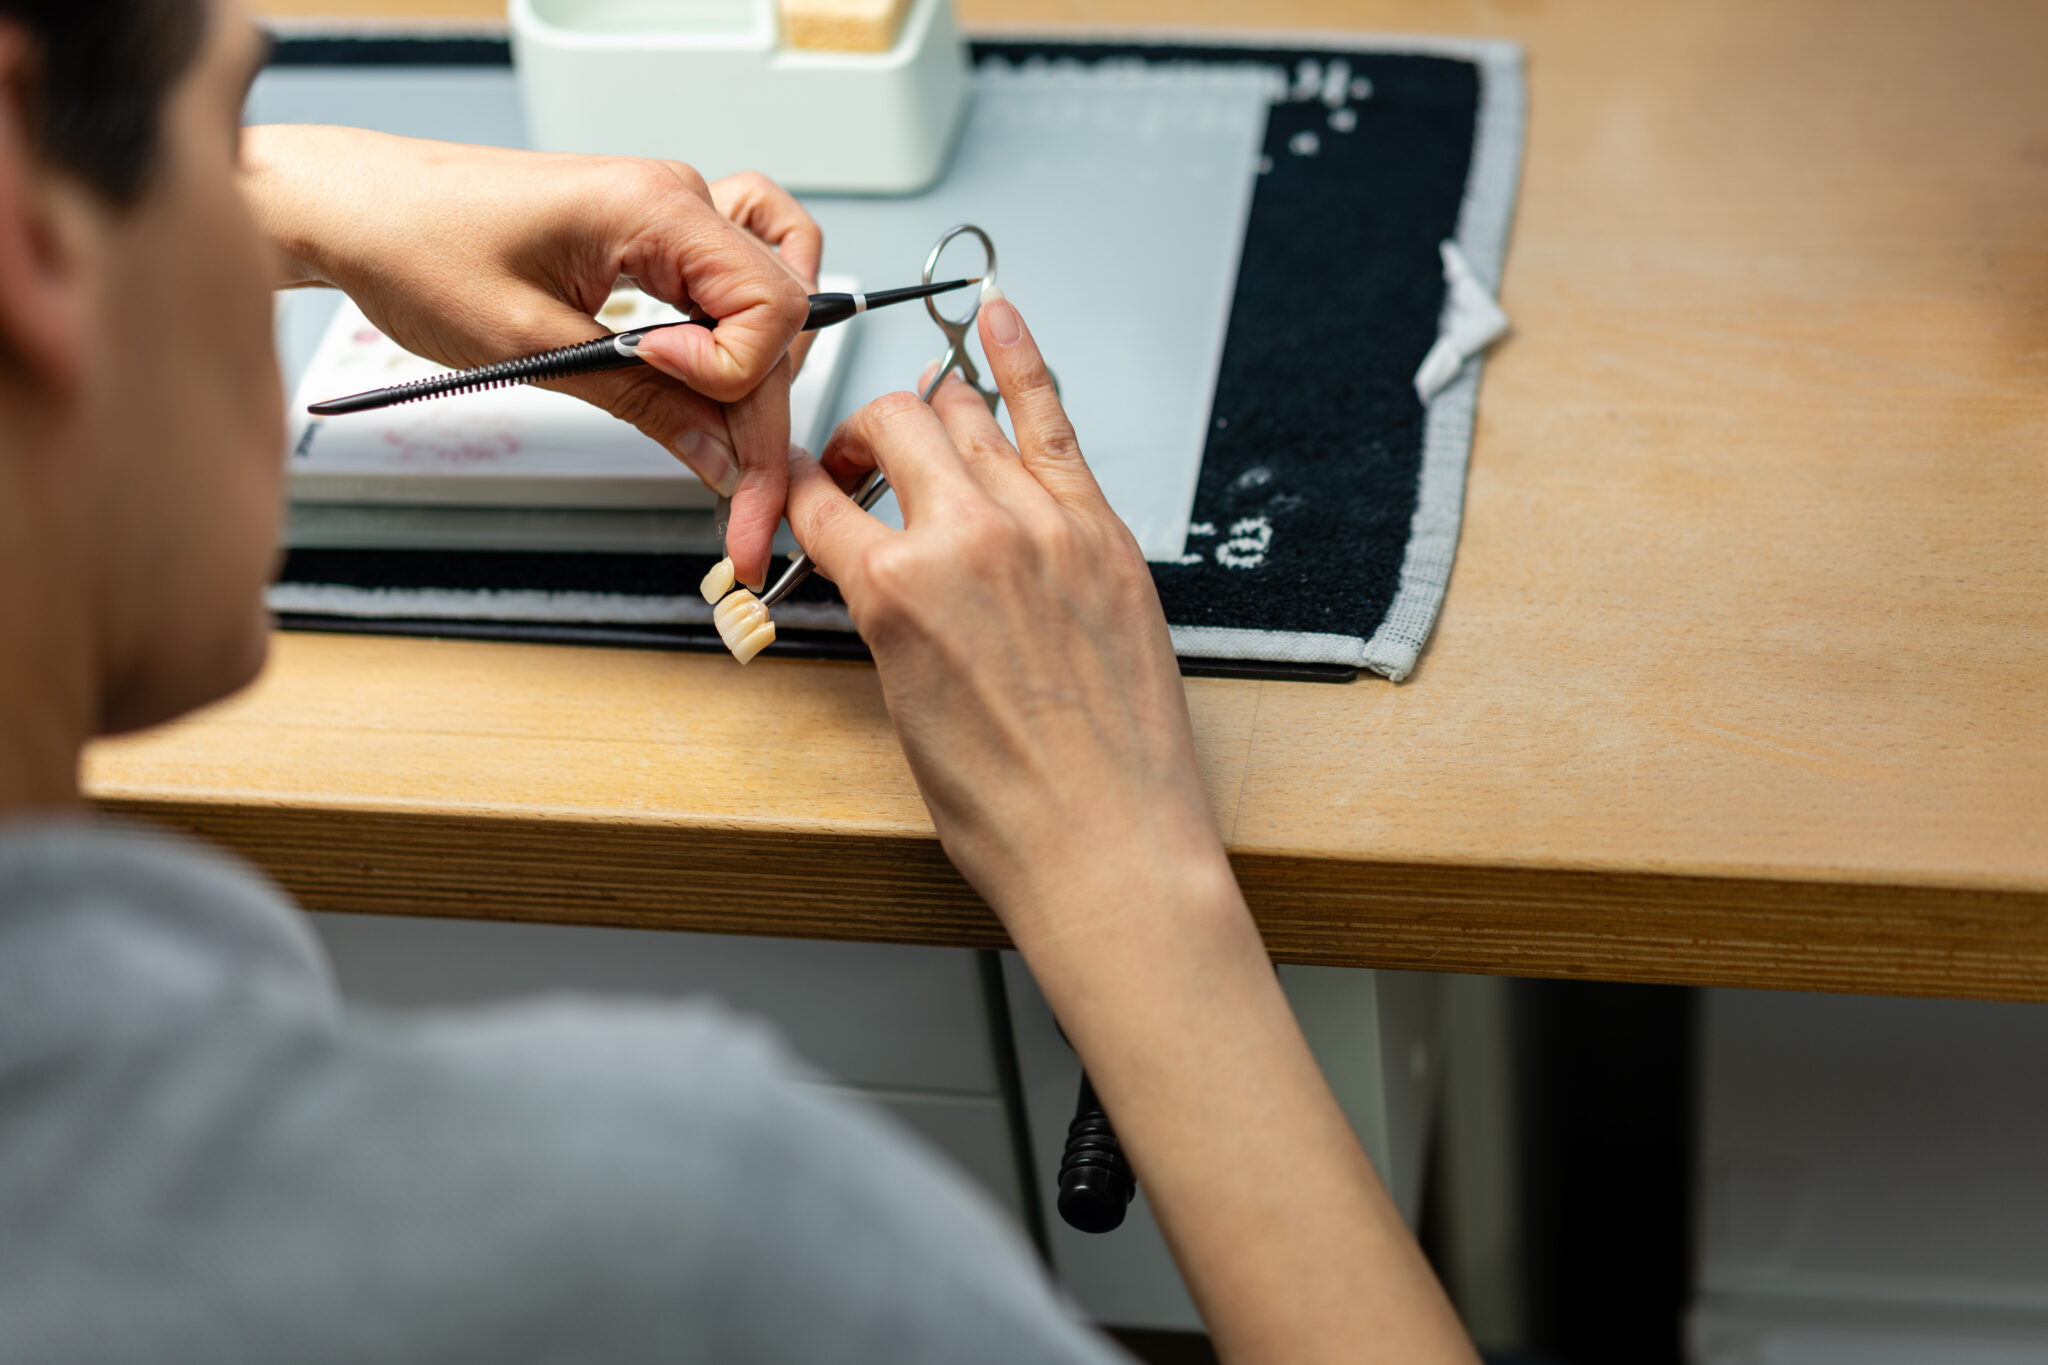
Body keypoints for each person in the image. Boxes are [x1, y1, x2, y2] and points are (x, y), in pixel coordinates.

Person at [0, 1, 1477, 1361]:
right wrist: (1122, 868)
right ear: (28, 242)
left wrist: (299, 200)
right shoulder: (679, 1228)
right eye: (228, 128)